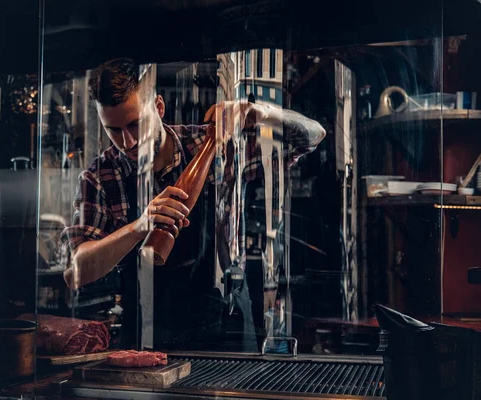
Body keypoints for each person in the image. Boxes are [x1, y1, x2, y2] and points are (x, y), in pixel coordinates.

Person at [61, 58, 325, 350]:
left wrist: (260, 112)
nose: (128, 142)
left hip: (224, 322)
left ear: (159, 107)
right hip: (148, 331)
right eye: (113, 130)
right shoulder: (99, 177)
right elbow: (76, 273)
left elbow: (312, 136)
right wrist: (139, 227)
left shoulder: (213, 144)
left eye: (136, 125)